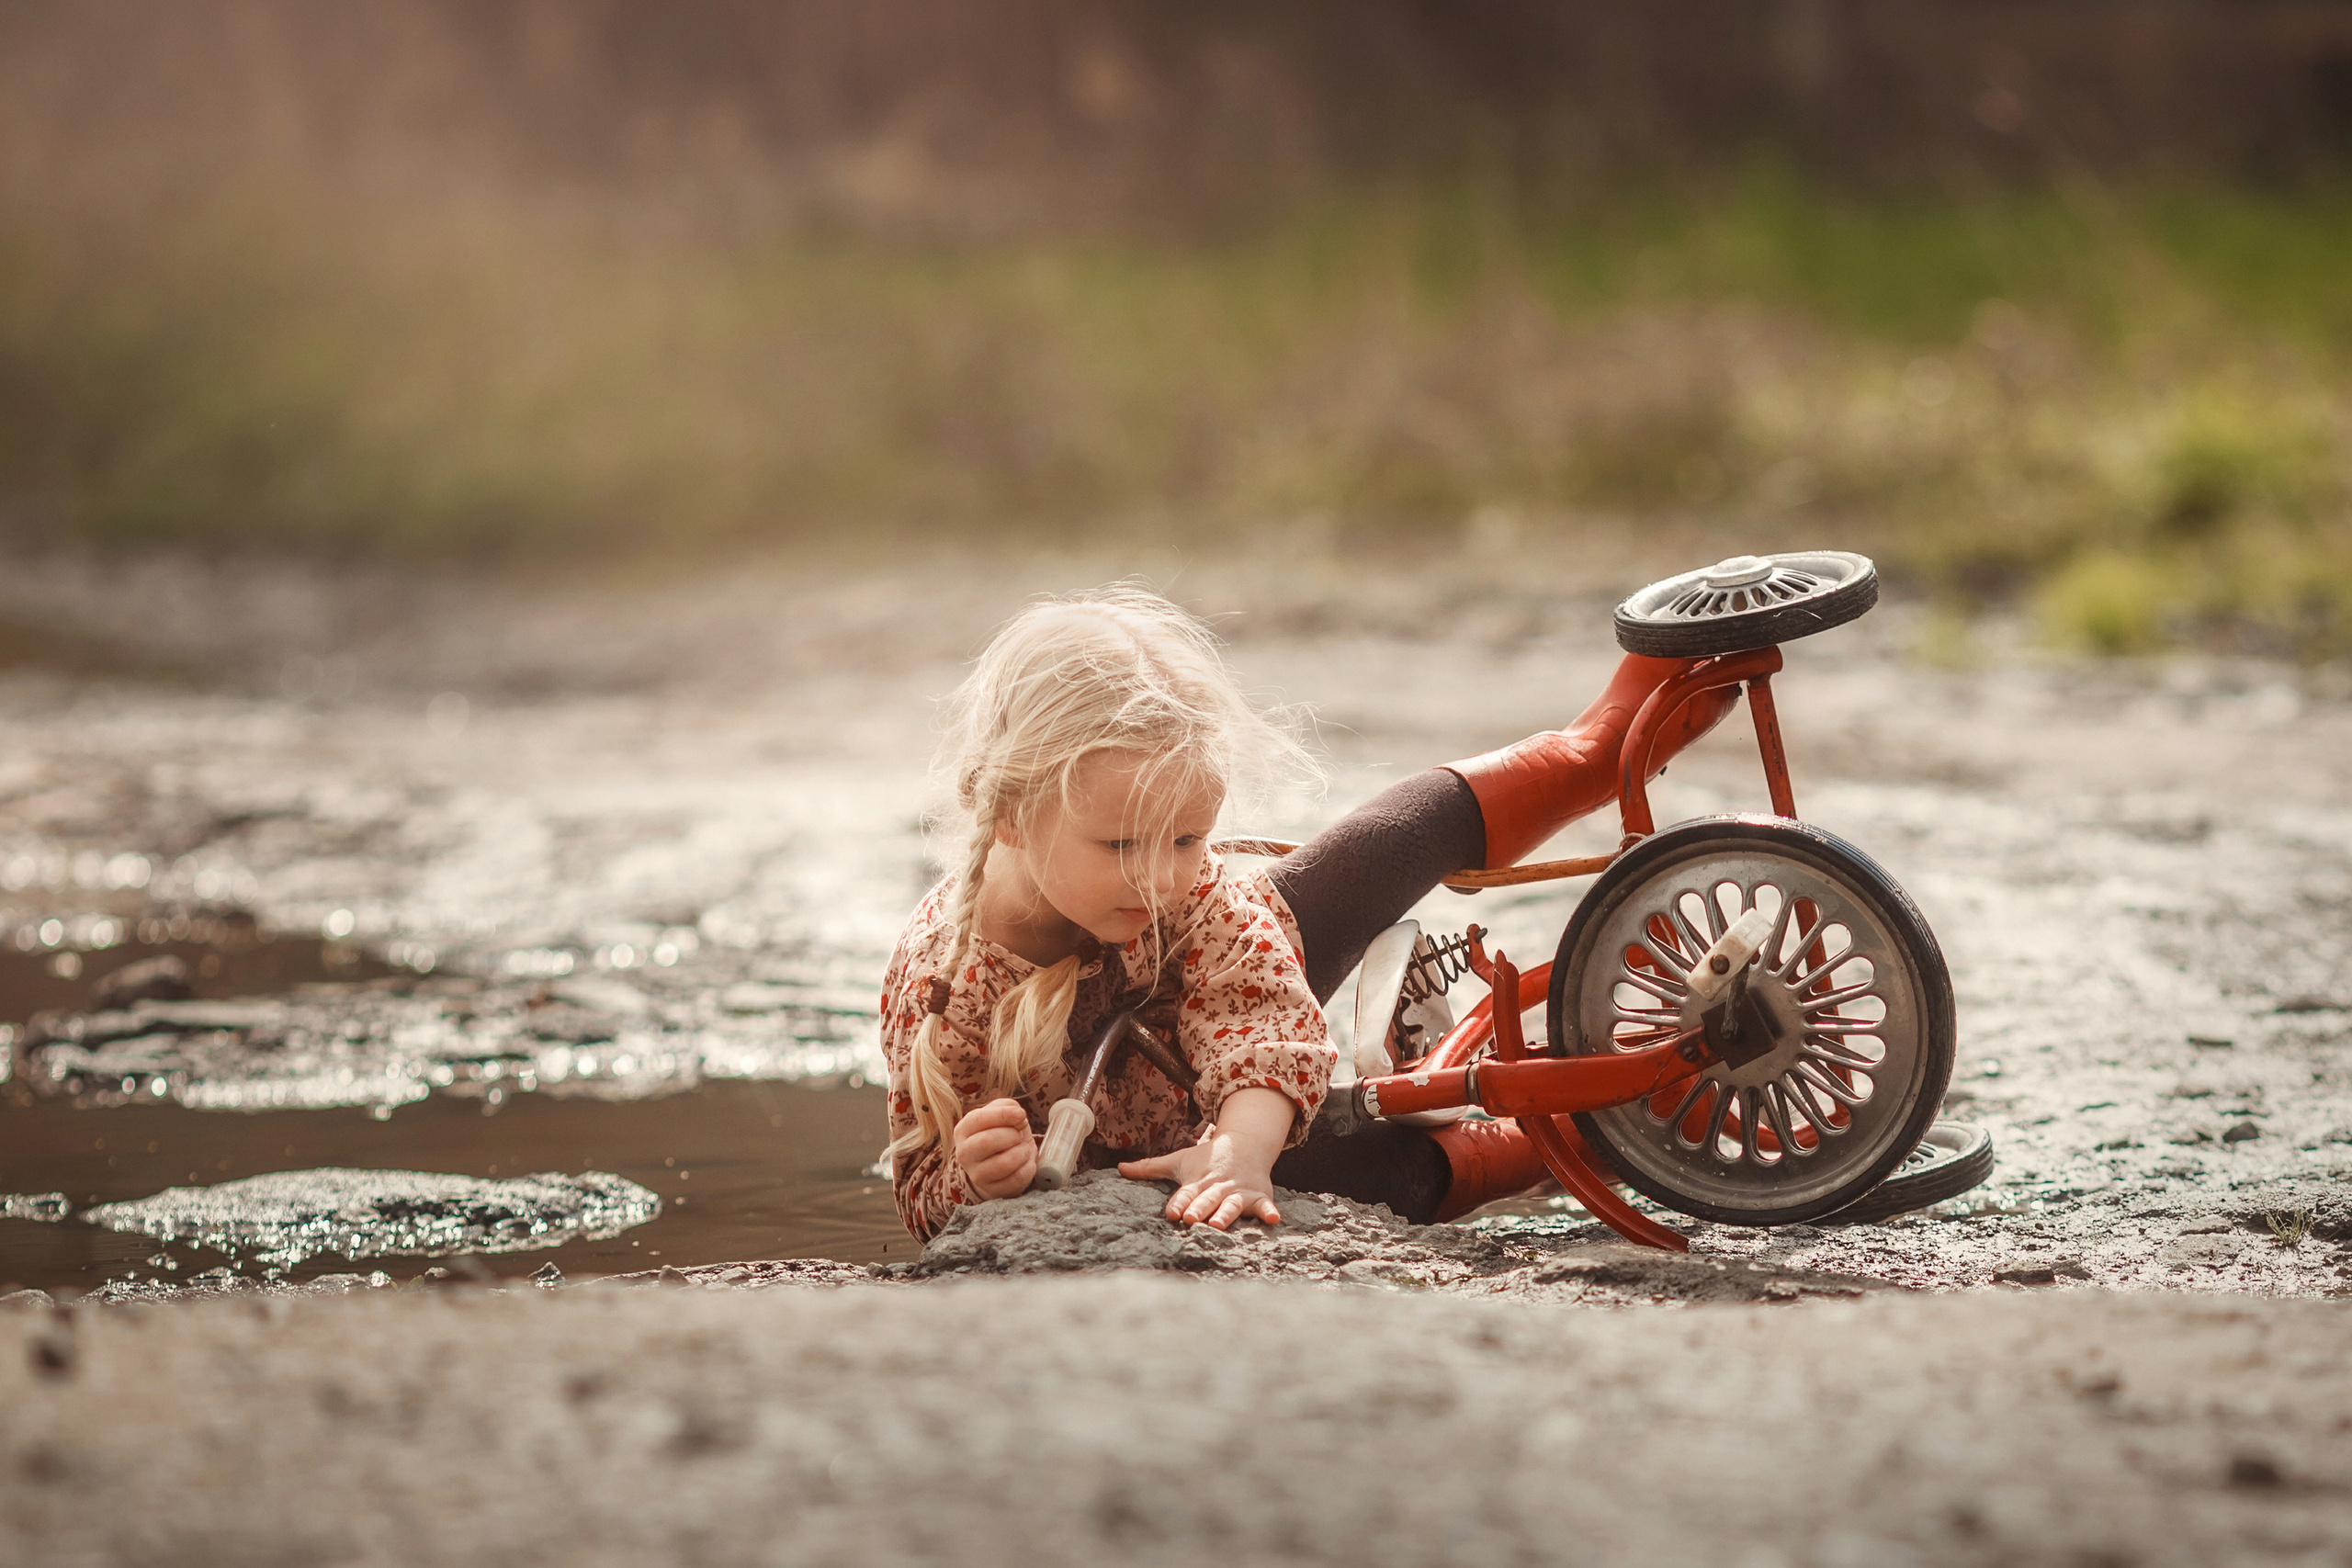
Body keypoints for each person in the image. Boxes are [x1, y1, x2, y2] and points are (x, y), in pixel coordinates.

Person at [878, 585, 1736, 1241]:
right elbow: (919, 1197)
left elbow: (1255, 1009)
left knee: (1378, 848)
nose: (1160, 879)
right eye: (1121, 846)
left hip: (1242, 1075)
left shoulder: (1187, 887)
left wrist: (1247, 1142)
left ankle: (1607, 738)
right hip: (1167, 1150)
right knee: (1371, 1172)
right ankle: (1595, 1128)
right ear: (1012, 816)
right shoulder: (944, 989)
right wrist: (975, 1177)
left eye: (1187, 836)